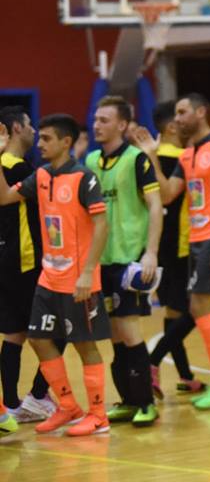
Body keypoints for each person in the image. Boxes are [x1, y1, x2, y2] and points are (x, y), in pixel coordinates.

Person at [0, 114, 114, 437]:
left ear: (66, 142)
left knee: (84, 345)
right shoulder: (40, 175)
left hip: (78, 279)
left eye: (47, 138)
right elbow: (4, 197)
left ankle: (98, 415)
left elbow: (101, 226)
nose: (40, 144)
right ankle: (67, 406)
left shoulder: (84, 178)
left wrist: (88, 273)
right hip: (48, 277)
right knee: (38, 338)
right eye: (40, 137)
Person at [132, 93, 210, 410]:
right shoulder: (188, 155)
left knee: (198, 306)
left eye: (183, 112)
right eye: (176, 113)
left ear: (200, 112)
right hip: (197, 240)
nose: (178, 118)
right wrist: (151, 156)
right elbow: (168, 194)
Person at [85, 96, 163, 427]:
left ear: (121, 125)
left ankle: (146, 402)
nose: (96, 125)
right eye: (95, 119)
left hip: (129, 260)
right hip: (100, 261)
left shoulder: (136, 160)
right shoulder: (90, 160)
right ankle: (128, 401)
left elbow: (155, 205)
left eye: (104, 120)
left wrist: (151, 252)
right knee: (114, 335)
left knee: (130, 331)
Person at [0, 107, 55, 423]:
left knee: (14, 334)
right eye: (31, 125)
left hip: (7, 261)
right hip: (26, 260)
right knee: (57, 328)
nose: (34, 130)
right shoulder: (17, 168)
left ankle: (11, 404)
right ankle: (37, 395)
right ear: (17, 128)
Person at [146, 101, 205, 396]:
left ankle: (184, 375)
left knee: (173, 311)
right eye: (179, 117)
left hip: (157, 244)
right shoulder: (183, 158)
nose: (183, 122)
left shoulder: (149, 158)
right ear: (171, 126)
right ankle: (152, 361)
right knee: (200, 308)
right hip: (182, 244)